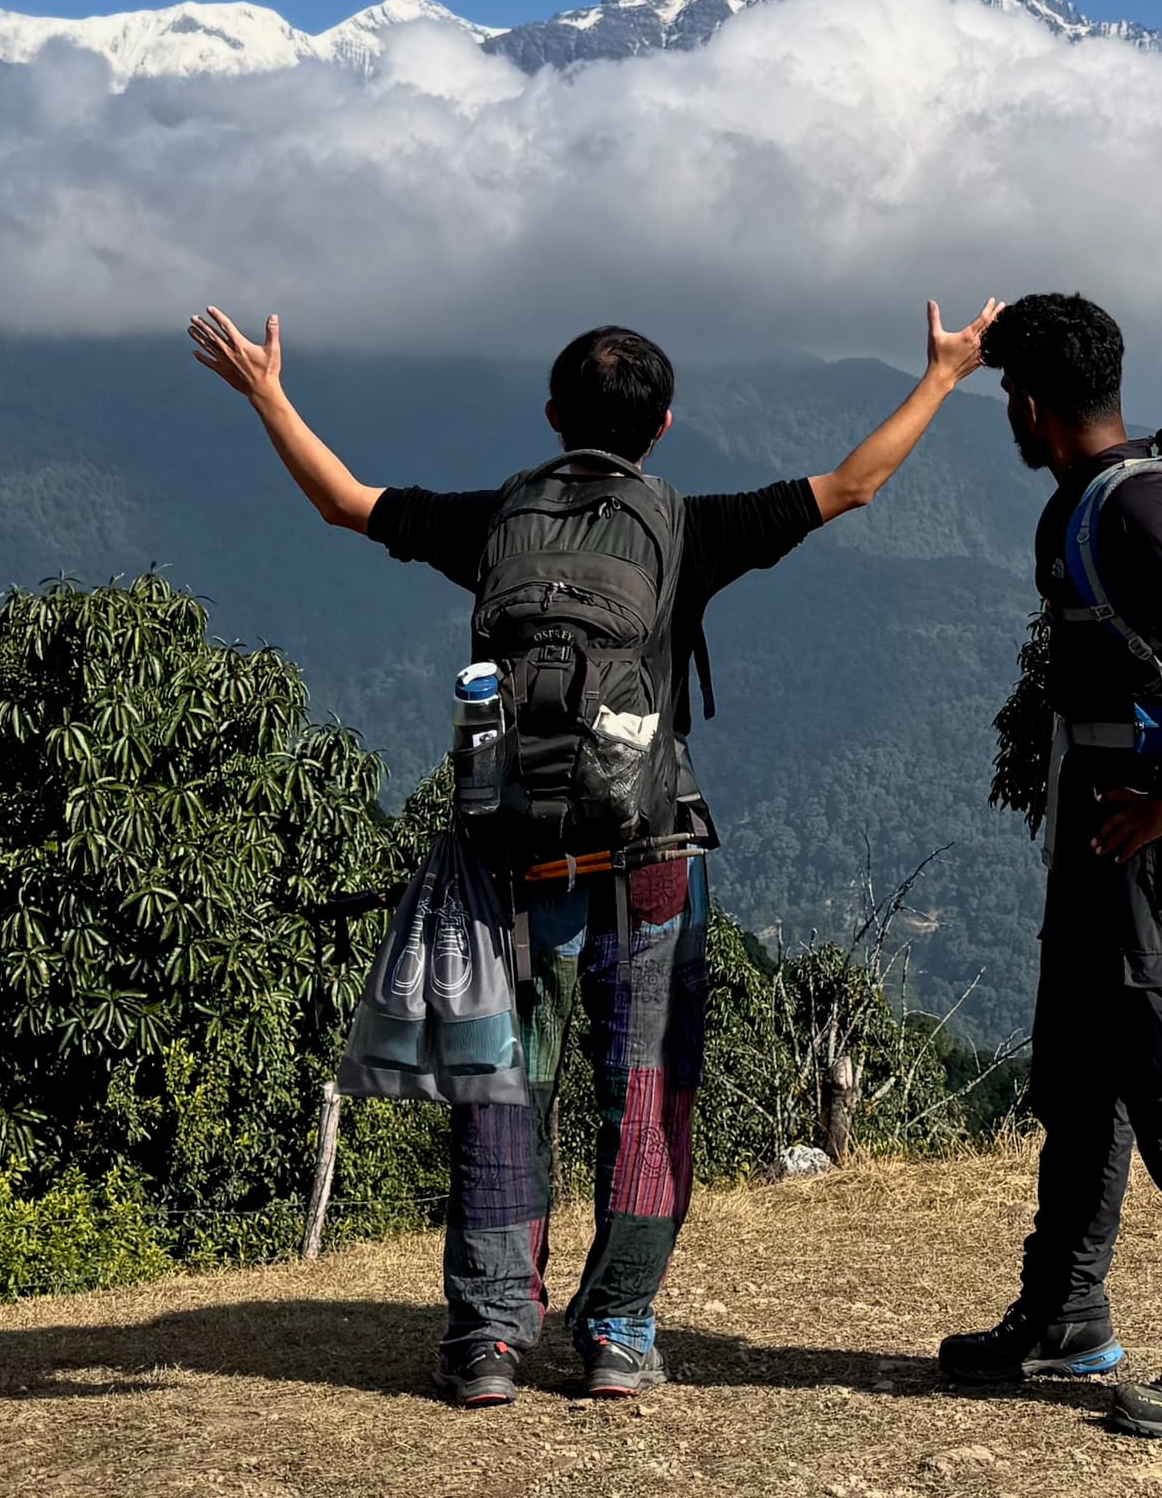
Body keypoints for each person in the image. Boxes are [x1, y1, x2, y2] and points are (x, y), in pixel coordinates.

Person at [188, 301, 998, 1407]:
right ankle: (617, 1328)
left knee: (504, 1085)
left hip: (511, 856)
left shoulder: (496, 523)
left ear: (553, 415)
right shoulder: (686, 526)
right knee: (649, 1090)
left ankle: (486, 1338)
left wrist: (268, 393)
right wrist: (946, 374)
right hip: (650, 847)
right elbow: (850, 486)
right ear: (663, 426)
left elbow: (345, 503)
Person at [938, 291, 1162, 1439]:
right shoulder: (1100, 497)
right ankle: (1065, 1313)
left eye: (1006, 400)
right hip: (1103, 825)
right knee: (1081, 1074)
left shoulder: (1134, 508)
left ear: (1030, 404)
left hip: (1157, 837)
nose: (1009, 419)